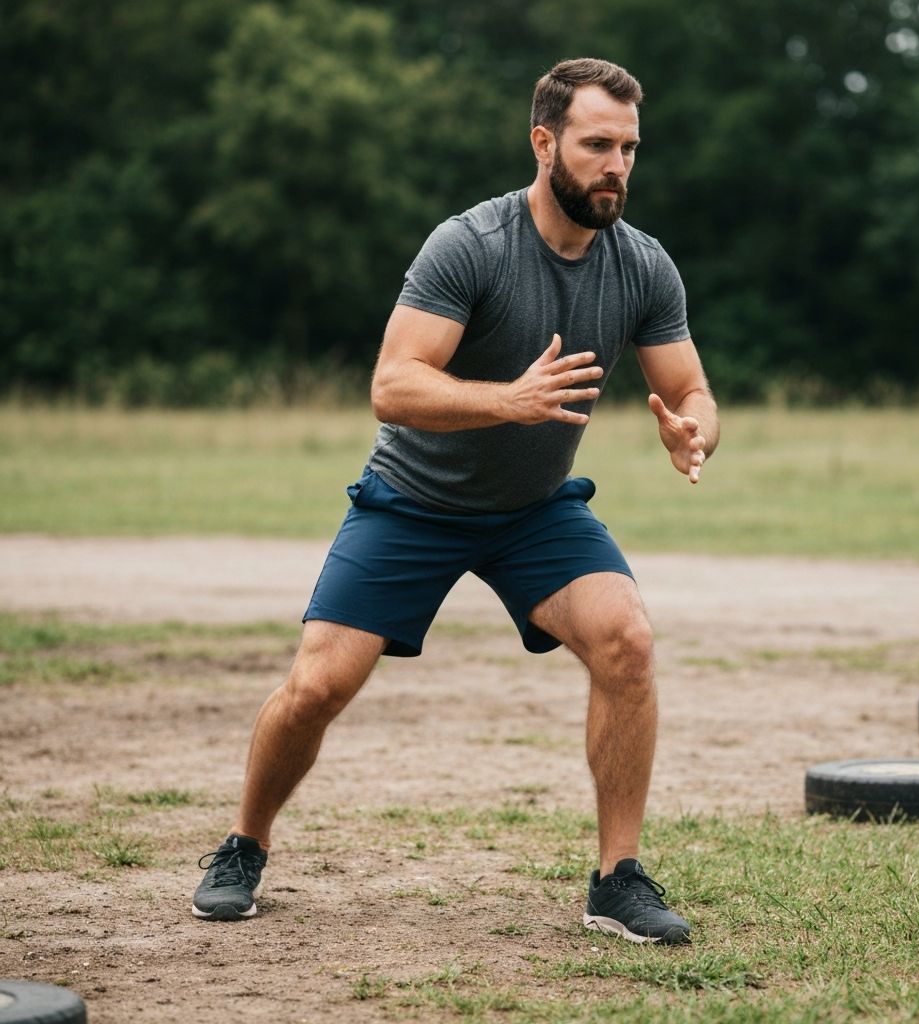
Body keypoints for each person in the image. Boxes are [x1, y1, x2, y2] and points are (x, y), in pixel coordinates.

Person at [192, 57, 718, 946]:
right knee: (317, 685)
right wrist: (505, 400)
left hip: (534, 511)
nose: (617, 166)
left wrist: (693, 429)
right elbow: (393, 387)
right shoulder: (470, 245)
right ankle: (244, 845)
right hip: (412, 500)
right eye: (598, 145)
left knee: (626, 639)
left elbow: (692, 387)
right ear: (544, 142)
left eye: (630, 148)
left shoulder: (643, 266)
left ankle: (616, 880)